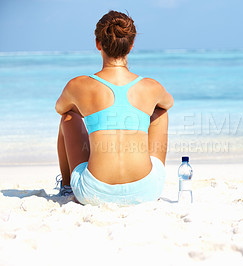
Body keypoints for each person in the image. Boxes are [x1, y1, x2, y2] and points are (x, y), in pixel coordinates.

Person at [55, 10, 174, 205]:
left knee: (68, 116)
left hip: (93, 193)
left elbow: (60, 108)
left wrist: (86, 108)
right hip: (146, 191)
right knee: (160, 112)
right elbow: (168, 103)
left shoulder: (78, 84)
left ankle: (67, 186)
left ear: (98, 44)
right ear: (131, 46)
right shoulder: (151, 86)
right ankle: (142, 169)